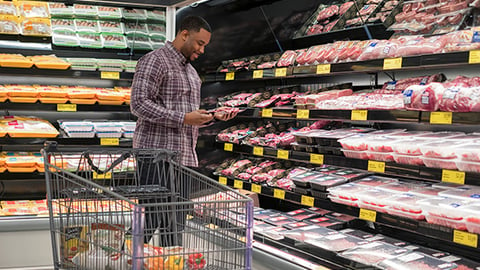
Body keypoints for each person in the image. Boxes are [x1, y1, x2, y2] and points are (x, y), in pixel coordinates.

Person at [130, 16, 237, 245]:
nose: (202, 50)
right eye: (199, 43)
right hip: (156, 156)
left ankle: (168, 263)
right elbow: (138, 103)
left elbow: (189, 117)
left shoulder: (191, 72)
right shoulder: (154, 61)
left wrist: (212, 116)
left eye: (205, 45)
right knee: (150, 219)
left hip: (185, 158)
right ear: (184, 34)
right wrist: (183, 118)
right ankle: (126, 262)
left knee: (175, 225)